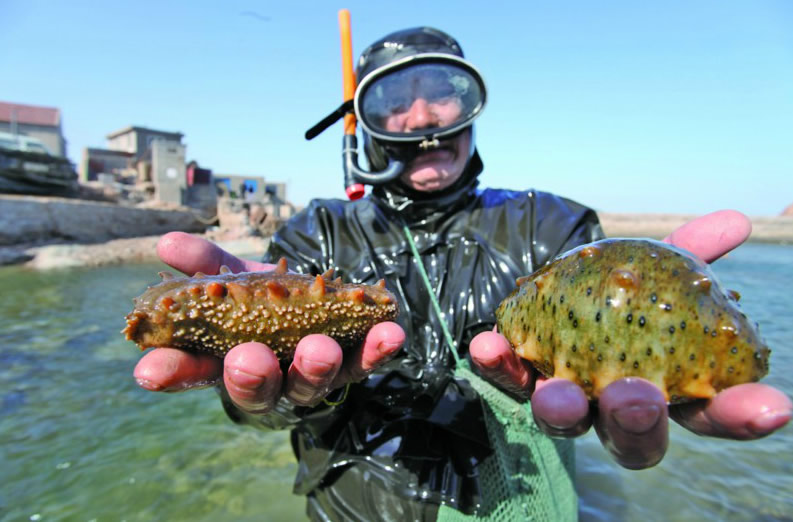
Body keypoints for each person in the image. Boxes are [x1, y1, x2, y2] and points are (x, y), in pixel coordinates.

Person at [133, 27, 791, 520]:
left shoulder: (552, 227)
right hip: (354, 505)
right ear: (361, 121)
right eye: (393, 100)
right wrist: (286, 399)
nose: (422, 120)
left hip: (513, 493)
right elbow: (255, 405)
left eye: (444, 97)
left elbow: (597, 352)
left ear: (472, 109)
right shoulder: (316, 234)